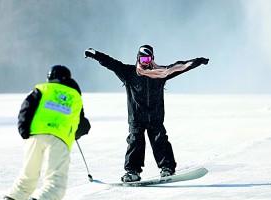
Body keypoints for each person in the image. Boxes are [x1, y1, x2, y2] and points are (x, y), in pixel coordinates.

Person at [85, 45, 208, 182]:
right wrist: (94, 54)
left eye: (148, 58)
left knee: (160, 140)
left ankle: (167, 169)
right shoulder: (129, 73)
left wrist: (198, 61)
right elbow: (110, 62)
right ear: (138, 58)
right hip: (136, 118)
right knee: (134, 141)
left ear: (152, 58)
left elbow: (181, 66)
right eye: (142, 58)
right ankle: (132, 172)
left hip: (155, 116)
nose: (145, 61)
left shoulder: (162, 73)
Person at [0, 65, 91, 200]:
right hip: (58, 140)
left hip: (34, 137)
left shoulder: (42, 89)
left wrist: (24, 131)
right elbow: (83, 126)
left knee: (27, 178)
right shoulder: (75, 96)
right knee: (55, 185)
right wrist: (75, 132)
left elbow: (26, 108)